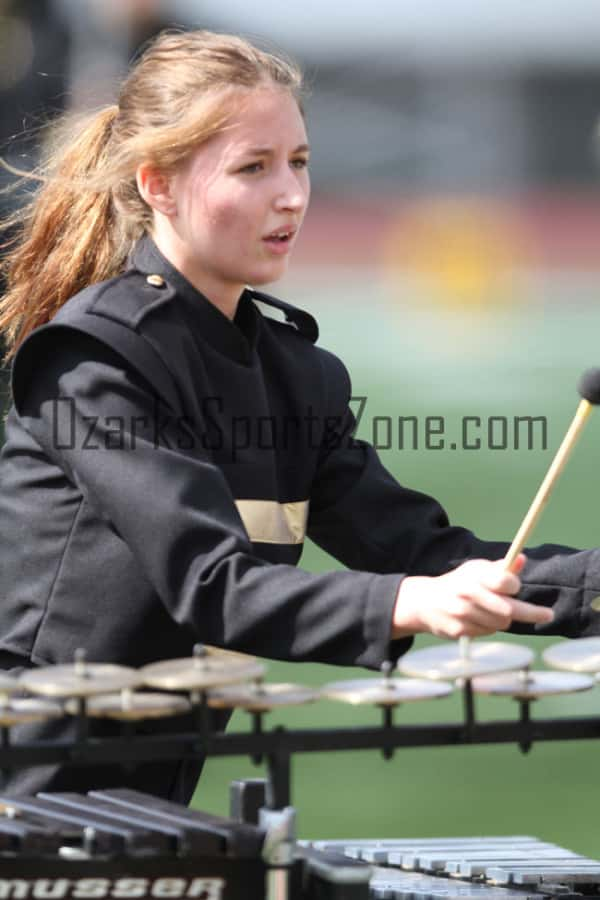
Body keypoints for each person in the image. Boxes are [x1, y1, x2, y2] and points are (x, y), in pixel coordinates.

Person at [0, 29, 598, 801]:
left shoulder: (296, 376)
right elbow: (213, 585)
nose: (290, 195)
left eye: (299, 163)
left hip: (147, 798)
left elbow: (422, 552)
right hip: (26, 796)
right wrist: (409, 603)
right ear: (158, 185)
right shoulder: (93, 360)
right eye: (253, 168)